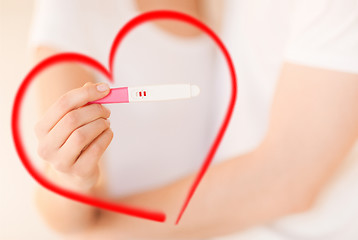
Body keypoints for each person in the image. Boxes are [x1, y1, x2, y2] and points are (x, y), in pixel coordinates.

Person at [31, 0, 358, 239]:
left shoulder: (220, 10)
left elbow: (287, 177)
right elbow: (61, 212)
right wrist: (74, 177)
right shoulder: (73, 11)